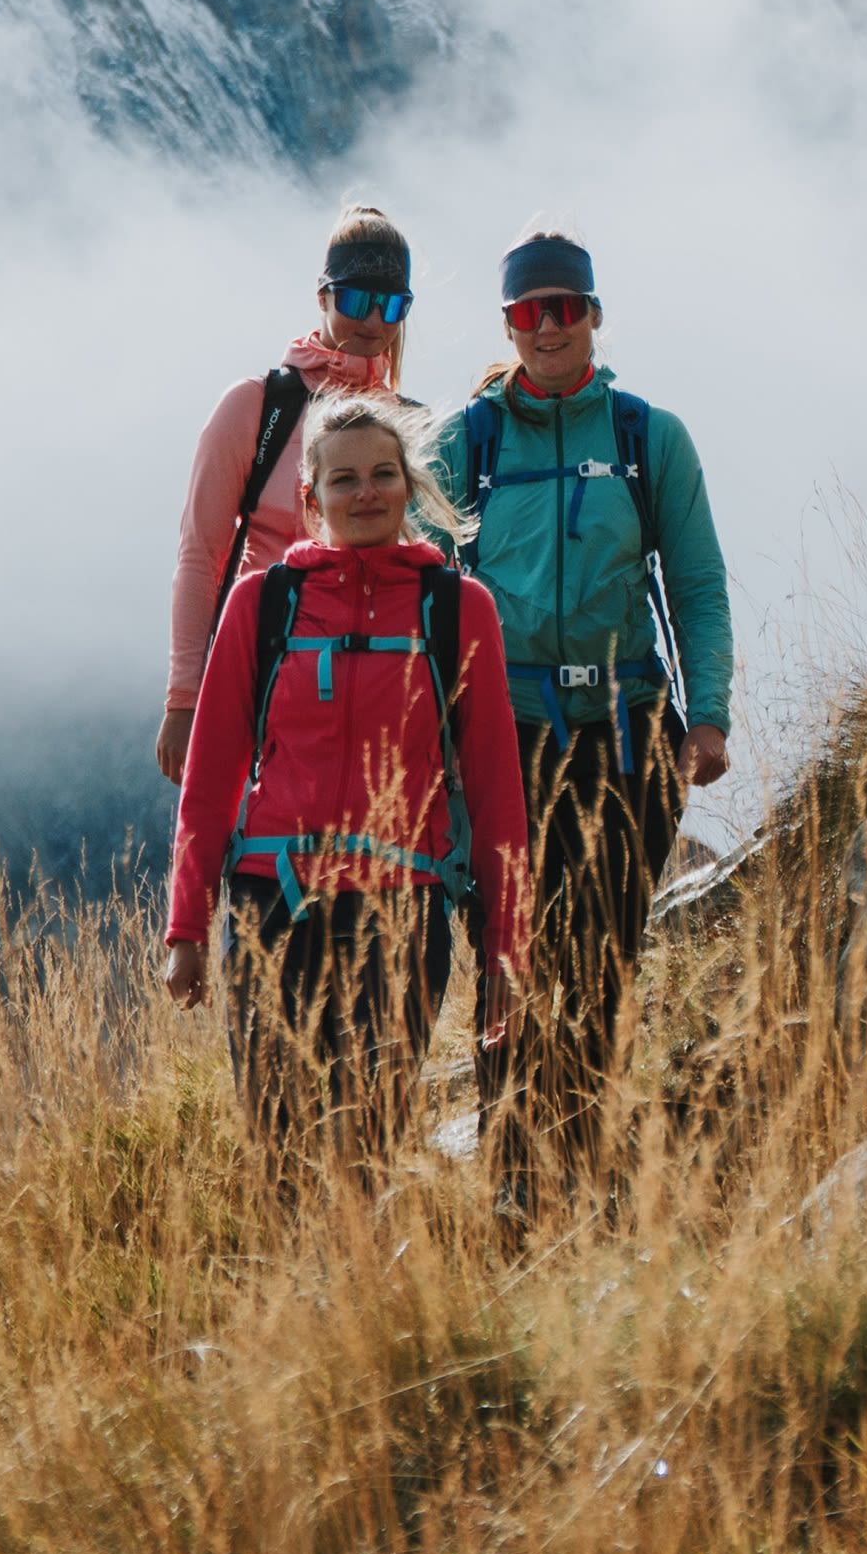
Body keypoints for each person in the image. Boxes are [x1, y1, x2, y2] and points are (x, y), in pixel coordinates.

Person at [444, 225, 733, 1221]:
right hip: (502, 735)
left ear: (595, 316)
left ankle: (576, 1169)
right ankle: (513, 1182)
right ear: (509, 323)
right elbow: (411, 587)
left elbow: (696, 583)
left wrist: (709, 717)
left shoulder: (650, 437)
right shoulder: (465, 442)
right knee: (505, 954)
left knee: (599, 955)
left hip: (627, 728)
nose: (551, 325)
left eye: (567, 306)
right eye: (532, 310)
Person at [162, 394, 529, 1173]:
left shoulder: (458, 609)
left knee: (369, 1145)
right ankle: (294, 1295)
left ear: (410, 487)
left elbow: (498, 790)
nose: (366, 493)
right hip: (273, 904)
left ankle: (369, 1293)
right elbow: (212, 775)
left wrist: (506, 949)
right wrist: (186, 927)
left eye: (384, 475)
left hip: (401, 907)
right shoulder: (262, 605)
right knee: (280, 1145)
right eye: (345, 479)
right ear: (310, 498)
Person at [159, 205, 417, 786]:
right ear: (322, 296)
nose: (374, 319)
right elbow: (201, 554)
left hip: (374, 685)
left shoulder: (405, 423)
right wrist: (184, 700)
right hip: (257, 678)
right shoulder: (256, 407)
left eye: (393, 304)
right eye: (355, 299)